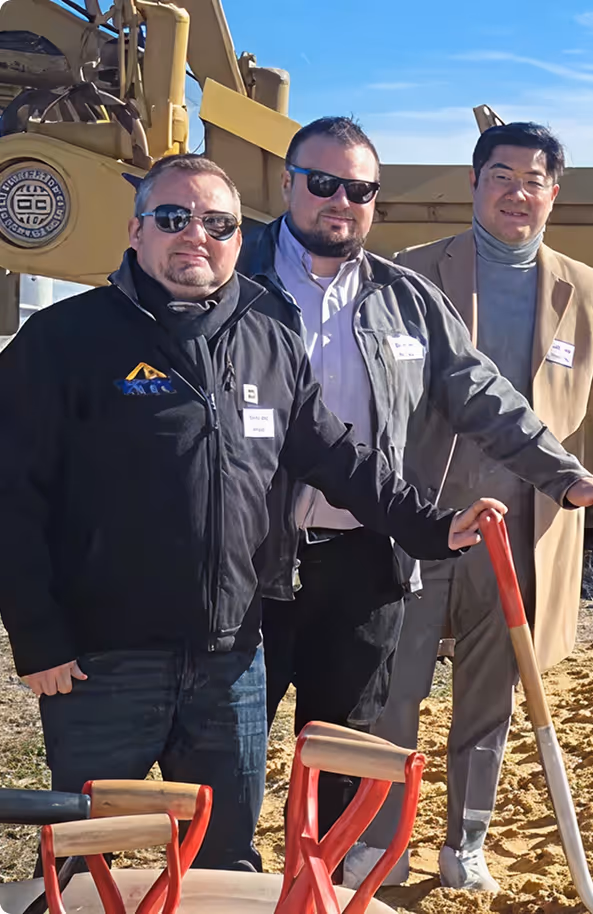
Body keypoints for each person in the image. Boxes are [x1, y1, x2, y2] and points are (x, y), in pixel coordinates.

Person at [0, 153, 513, 872]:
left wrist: (432, 525)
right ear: (135, 231)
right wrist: (39, 635)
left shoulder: (267, 330)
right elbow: (13, 498)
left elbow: (336, 453)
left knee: (222, 859)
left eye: (218, 223)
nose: (196, 236)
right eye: (174, 218)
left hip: (230, 660)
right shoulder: (63, 343)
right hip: (102, 664)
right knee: (91, 866)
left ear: (241, 238)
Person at [351, 121, 593, 891]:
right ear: (474, 183)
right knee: (395, 692)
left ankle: (466, 844)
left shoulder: (585, 290)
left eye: (533, 179)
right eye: (501, 175)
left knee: (490, 698)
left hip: (526, 532)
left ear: (555, 192)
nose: (516, 192)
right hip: (424, 524)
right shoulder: (413, 274)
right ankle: (374, 840)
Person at [238, 116, 593, 846]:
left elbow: (480, 393)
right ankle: (223, 878)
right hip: (250, 565)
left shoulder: (401, 296)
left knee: (343, 756)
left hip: (365, 563)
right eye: (322, 183)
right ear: (289, 184)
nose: (339, 200)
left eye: (358, 188)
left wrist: (564, 475)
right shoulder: (235, 280)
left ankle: (328, 877)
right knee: (231, 756)